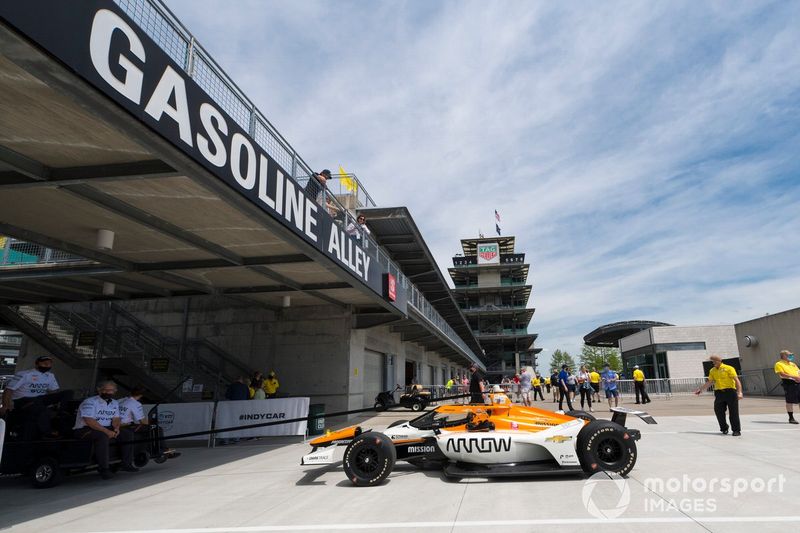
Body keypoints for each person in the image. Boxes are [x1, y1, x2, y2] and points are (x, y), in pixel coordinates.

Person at [73, 381, 136, 479]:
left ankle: (126, 463)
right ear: (99, 390)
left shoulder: (114, 403)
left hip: (106, 427)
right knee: (102, 436)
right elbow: (89, 421)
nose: (108, 392)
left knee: (127, 434)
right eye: (105, 390)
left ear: (115, 391)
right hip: (84, 430)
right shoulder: (89, 402)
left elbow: (116, 418)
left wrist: (116, 428)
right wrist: (107, 432)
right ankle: (104, 469)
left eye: (111, 390)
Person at [0, 355, 72, 439]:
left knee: (68, 392)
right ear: (37, 364)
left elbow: (54, 391)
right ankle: (47, 432)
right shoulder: (25, 374)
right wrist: (5, 405)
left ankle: (61, 412)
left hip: (40, 399)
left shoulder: (50, 376)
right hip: (23, 400)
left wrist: (55, 403)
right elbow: (8, 390)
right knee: (41, 409)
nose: (47, 365)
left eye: (49, 364)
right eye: (44, 363)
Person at [695, 355, 743, 436]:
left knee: (733, 412)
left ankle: (736, 430)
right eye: (712, 361)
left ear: (718, 361)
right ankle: (724, 428)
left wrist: (739, 392)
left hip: (730, 392)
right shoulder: (712, 370)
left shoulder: (729, 368)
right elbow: (709, 382)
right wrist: (701, 389)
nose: (712, 363)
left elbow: (736, 380)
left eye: (713, 361)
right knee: (718, 411)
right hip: (719, 393)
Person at [774, 350, 800, 424]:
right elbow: (782, 374)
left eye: (791, 355)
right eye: (789, 355)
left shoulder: (793, 364)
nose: (791, 356)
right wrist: (794, 377)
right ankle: (791, 418)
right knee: (789, 401)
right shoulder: (779, 364)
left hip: (798, 382)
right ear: (784, 356)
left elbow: (798, 372)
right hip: (789, 383)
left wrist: (798, 377)